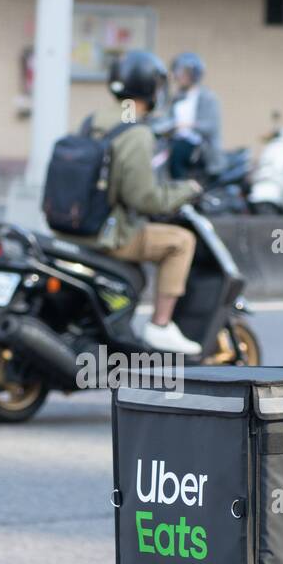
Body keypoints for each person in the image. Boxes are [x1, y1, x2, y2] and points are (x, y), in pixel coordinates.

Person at [67, 50, 203, 355]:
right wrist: (185, 190)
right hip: (108, 234)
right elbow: (144, 199)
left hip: (73, 229)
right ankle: (160, 325)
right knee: (181, 241)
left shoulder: (93, 121)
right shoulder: (137, 132)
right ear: (150, 88)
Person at [166, 52, 223, 181]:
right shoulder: (177, 98)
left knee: (178, 151)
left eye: (184, 72)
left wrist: (186, 125)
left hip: (201, 149)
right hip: (177, 142)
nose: (179, 76)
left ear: (194, 74)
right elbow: (167, 119)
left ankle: (181, 190)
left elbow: (211, 126)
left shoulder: (208, 98)